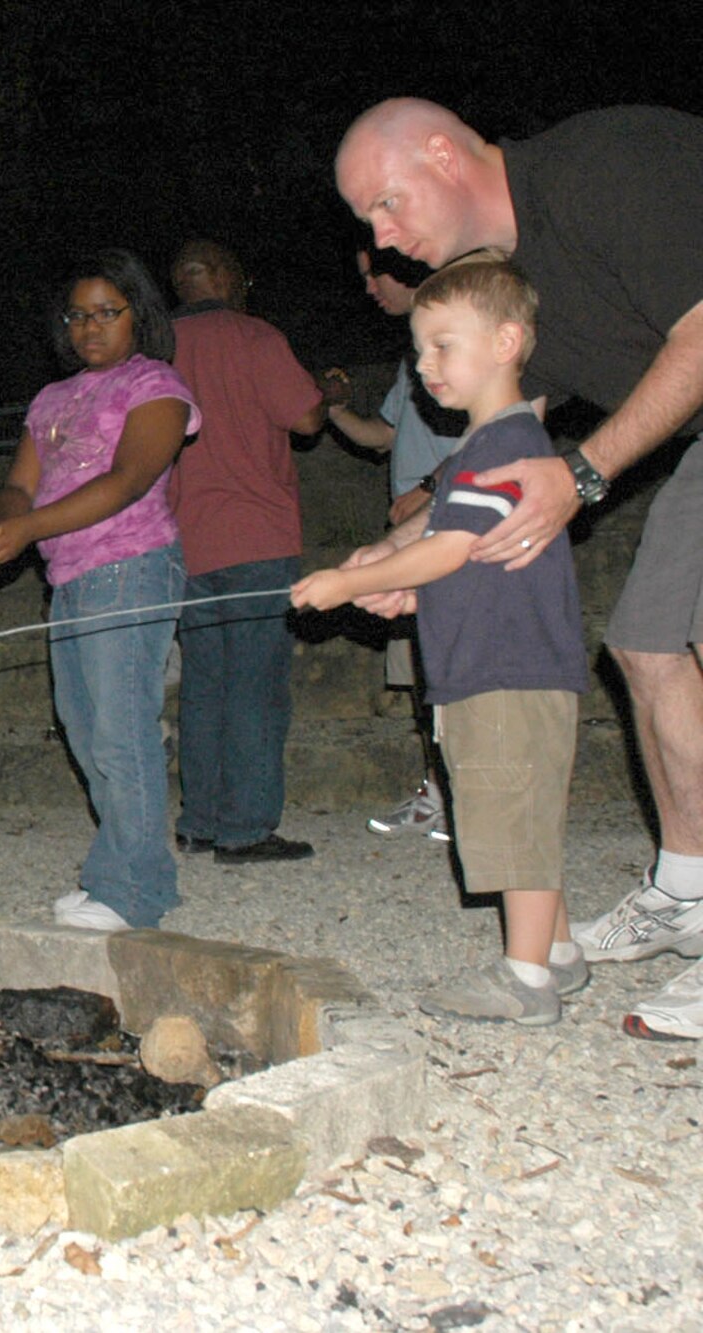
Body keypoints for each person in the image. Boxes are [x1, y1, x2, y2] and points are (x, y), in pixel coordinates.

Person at [335, 98, 703, 1040]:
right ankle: (690, 888)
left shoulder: (606, 167)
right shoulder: (512, 282)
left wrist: (582, 473)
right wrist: (400, 547)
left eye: (385, 203)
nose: (380, 238)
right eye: (365, 222)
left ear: (441, 151)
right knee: (648, 644)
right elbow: (510, 432)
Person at [293, 256, 588, 1024]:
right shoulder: (485, 450)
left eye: (442, 347)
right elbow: (458, 545)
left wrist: (346, 584)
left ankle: (525, 981)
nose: (425, 368)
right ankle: (556, 950)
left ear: (506, 341)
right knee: (520, 805)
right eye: (419, 351)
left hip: (505, 667)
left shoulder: (502, 444)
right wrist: (392, 570)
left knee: (508, 815)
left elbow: (453, 547)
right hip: (494, 662)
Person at [0, 250, 199, 930]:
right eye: (79, 315)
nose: (90, 328)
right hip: (69, 576)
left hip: (131, 565)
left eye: (108, 313)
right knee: (84, 726)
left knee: (122, 731)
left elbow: (128, 479)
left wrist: (30, 524)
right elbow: (22, 480)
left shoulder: (156, 385)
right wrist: (3, 518)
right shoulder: (52, 399)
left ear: (139, 316)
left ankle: (136, 892)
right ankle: (117, 868)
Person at [164, 241, 325, 864]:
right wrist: (329, 391)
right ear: (227, 278)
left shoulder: (157, 349)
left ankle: (200, 819)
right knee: (256, 686)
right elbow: (306, 419)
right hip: (255, 535)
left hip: (185, 538)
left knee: (205, 684)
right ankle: (247, 828)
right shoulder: (255, 336)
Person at [323, 246, 466, 843]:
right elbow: (382, 435)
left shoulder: (461, 349)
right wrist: (332, 409)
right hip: (410, 541)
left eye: (375, 275)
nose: (369, 289)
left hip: (452, 528)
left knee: (456, 671)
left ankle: (468, 802)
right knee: (423, 679)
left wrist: (431, 487)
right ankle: (439, 794)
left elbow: (498, 431)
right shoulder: (414, 364)